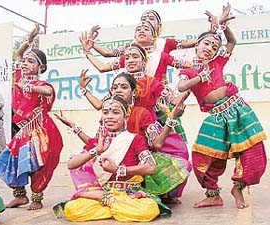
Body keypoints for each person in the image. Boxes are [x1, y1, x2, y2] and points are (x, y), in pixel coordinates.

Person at [177, 3, 267, 209]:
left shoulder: (217, 63)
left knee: (252, 151)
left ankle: (238, 187)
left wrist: (223, 26)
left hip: (237, 110)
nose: (210, 48)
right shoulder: (189, 70)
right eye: (206, 44)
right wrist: (199, 77)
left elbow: (232, 41)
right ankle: (213, 194)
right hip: (216, 117)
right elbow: (182, 86)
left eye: (214, 47)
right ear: (197, 45)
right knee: (203, 156)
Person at [0, 24, 63, 210]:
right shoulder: (19, 76)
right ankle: (20, 195)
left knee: (36, 164)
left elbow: (47, 91)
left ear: (42, 67)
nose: (25, 63)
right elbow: (19, 54)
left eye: (31, 62)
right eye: (26, 61)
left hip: (41, 131)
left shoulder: (42, 83)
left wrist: (28, 87)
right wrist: (29, 38)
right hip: (23, 131)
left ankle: (37, 197)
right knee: (9, 161)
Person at [61, 96, 160, 222]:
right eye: (105, 112)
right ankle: (114, 205)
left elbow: (151, 167)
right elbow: (71, 165)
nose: (109, 116)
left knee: (149, 209)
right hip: (102, 194)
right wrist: (96, 150)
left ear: (126, 117)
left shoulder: (134, 139)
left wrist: (119, 169)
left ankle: (112, 205)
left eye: (115, 112)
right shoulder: (97, 142)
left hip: (129, 194)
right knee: (72, 209)